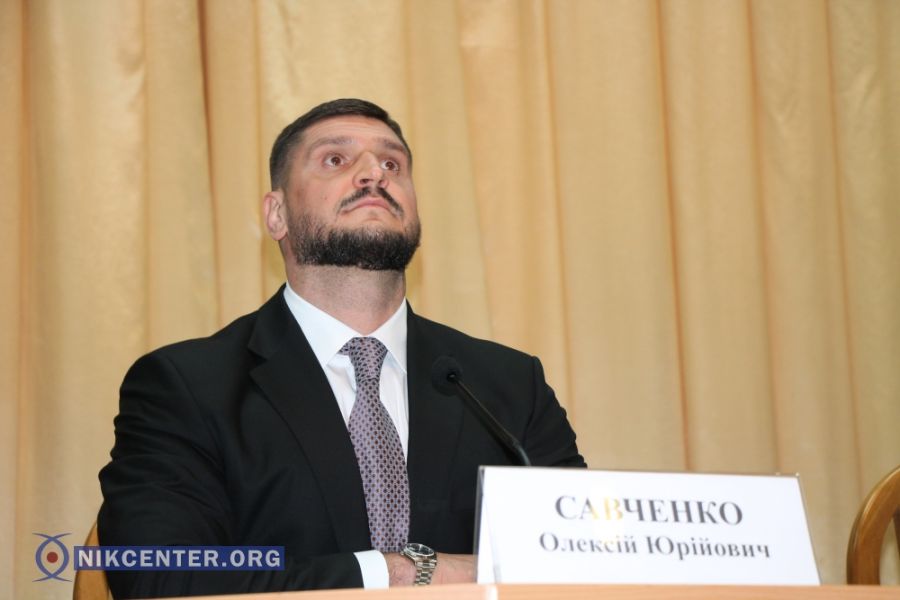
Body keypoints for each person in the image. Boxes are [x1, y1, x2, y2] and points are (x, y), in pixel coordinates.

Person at [98, 98, 585, 599]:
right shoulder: (187, 386)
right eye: (336, 159)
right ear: (277, 214)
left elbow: (587, 564)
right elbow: (163, 575)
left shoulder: (506, 385)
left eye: (392, 163)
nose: (374, 173)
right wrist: (404, 574)